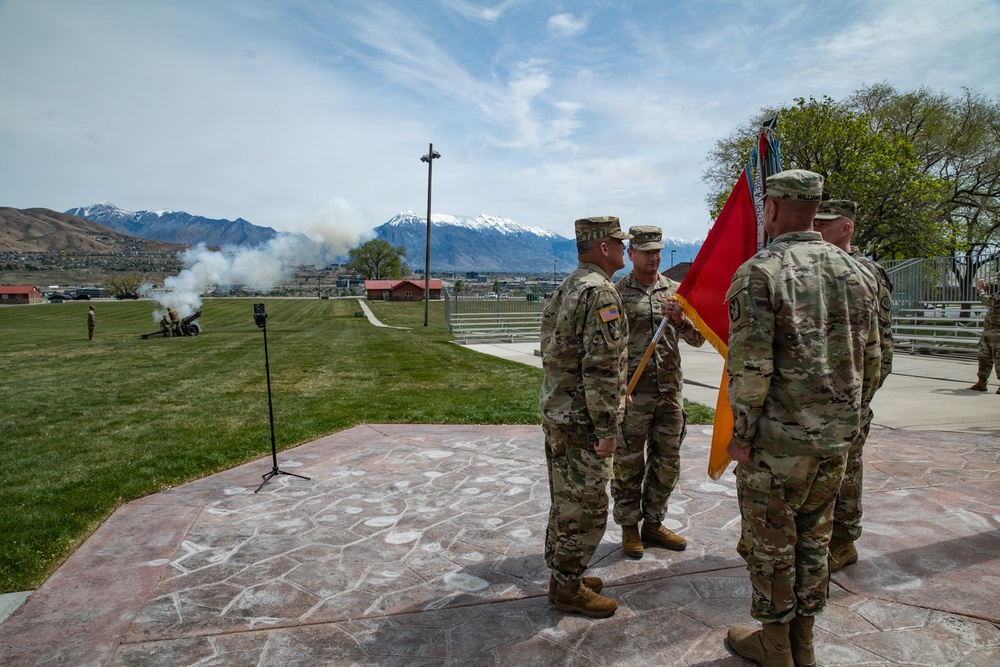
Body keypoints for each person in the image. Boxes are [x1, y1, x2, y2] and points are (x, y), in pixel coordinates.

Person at [724, 170, 881, 667]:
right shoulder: (858, 272)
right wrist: (847, 419)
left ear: (770, 209)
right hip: (835, 443)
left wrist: (741, 435)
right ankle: (803, 645)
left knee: (772, 546)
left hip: (777, 446)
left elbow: (750, 370)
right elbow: (876, 359)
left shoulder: (760, 272)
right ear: (815, 210)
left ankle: (775, 647)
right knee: (815, 542)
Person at [540, 216, 632, 618]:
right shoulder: (601, 293)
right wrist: (607, 429)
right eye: (620, 242)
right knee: (587, 505)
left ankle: (562, 576)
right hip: (583, 421)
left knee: (565, 500)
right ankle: (569, 587)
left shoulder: (570, 285)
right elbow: (602, 368)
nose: (626, 249)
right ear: (604, 248)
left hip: (561, 413)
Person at [612, 225, 705, 559]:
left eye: (657, 251)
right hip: (634, 395)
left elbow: (698, 338)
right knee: (628, 464)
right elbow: (608, 348)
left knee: (667, 463)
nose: (653, 257)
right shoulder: (617, 294)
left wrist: (681, 319)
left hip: (669, 393)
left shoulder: (676, 292)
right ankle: (628, 527)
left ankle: (654, 523)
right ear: (630, 254)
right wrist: (618, 389)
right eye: (646, 251)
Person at [812, 200, 894, 572]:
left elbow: (882, 343)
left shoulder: (865, 271)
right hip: (817, 396)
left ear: (845, 227)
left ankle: (843, 541)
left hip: (850, 396)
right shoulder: (817, 266)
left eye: (823, 223)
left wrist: (862, 396)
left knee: (848, 467)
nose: (815, 228)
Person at [967, 274, 1000, 393]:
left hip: (998, 333)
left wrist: (980, 289)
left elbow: (988, 301)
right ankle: (982, 382)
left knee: (998, 358)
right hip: (989, 331)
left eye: (999, 279)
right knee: (984, 357)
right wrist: (984, 290)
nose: (997, 281)